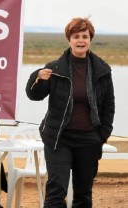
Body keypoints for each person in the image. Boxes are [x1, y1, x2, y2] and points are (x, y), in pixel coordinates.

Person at [26, 17, 115, 208]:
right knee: (56, 191)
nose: (81, 40)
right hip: (59, 138)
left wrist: (102, 135)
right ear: (69, 40)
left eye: (85, 36)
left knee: (83, 194)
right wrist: (37, 77)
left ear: (90, 39)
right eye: (76, 36)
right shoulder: (54, 68)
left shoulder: (102, 70)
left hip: (89, 140)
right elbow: (34, 96)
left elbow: (109, 105)